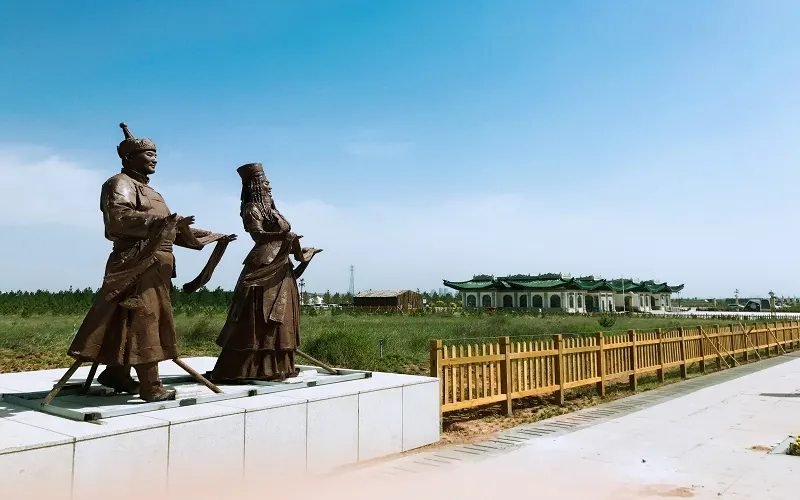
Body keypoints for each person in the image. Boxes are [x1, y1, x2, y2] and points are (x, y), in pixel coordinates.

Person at [67, 122, 235, 402]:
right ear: (128, 157)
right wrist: (163, 222)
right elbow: (118, 219)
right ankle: (151, 385)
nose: (154, 158)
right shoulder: (119, 183)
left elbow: (172, 229)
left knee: (129, 319)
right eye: (148, 153)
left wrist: (209, 236)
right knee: (145, 319)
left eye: (156, 154)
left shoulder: (155, 194)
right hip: (136, 264)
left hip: (157, 267)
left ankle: (116, 373)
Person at [209, 163, 321, 383]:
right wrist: (285, 238)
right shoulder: (252, 208)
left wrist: (302, 252)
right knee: (260, 316)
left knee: (282, 317)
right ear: (255, 186)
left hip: (282, 266)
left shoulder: (273, 210)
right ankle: (248, 368)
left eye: (269, 183)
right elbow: (258, 236)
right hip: (263, 264)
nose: (269, 187)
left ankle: (279, 367)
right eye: (265, 183)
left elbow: (287, 240)